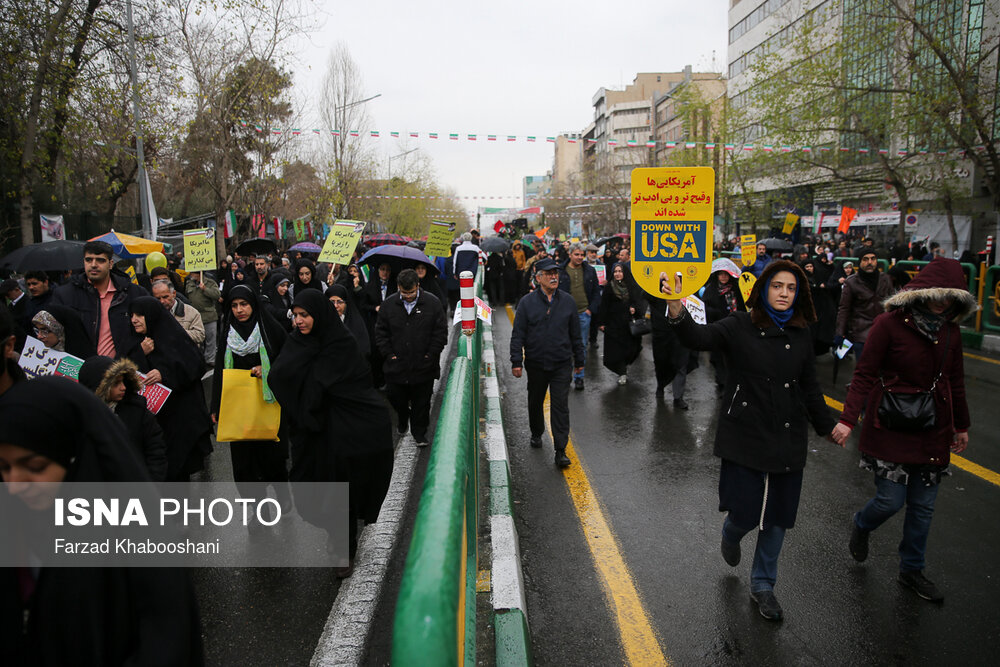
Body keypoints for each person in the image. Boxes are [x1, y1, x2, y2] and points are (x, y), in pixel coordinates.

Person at [660, 260, 837, 621]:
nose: (784, 293)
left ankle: (763, 585)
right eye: (777, 286)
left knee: (778, 518)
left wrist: (826, 425)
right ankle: (731, 532)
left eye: (791, 288)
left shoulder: (802, 333)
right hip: (745, 433)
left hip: (787, 435)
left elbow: (809, 386)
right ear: (763, 290)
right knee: (745, 512)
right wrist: (676, 306)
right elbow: (698, 338)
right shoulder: (740, 324)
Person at [0, 376, 203, 665]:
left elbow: (167, 637)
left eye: (35, 467)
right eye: (4, 468)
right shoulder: (14, 528)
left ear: (75, 458)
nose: (14, 485)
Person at [832, 258, 973, 603]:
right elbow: (864, 374)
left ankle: (912, 570)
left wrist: (961, 426)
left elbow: (955, 381)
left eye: (950, 298)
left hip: (932, 428)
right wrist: (848, 419)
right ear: (923, 292)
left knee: (923, 507)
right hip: (891, 423)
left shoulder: (950, 332)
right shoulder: (888, 324)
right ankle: (862, 524)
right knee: (890, 500)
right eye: (939, 295)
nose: (943, 303)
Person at [268, 290, 394, 577]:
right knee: (308, 499)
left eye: (305, 315)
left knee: (340, 494)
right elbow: (279, 376)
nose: (299, 321)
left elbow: (357, 388)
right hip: (308, 434)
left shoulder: (342, 344)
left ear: (319, 315)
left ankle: (343, 549)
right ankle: (336, 533)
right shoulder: (296, 343)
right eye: (295, 315)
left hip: (341, 434)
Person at [210, 284, 291, 513]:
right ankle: (257, 508)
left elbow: (288, 360)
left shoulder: (269, 328)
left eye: (244, 304)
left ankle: (281, 494)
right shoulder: (228, 331)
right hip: (238, 407)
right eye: (234, 305)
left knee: (272, 457)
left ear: (253, 305)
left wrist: (266, 369)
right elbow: (219, 371)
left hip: (268, 403)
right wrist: (216, 406)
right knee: (244, 463)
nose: (239, 310)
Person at [509, 258, 585, 468]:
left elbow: (576, 335)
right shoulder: (527, 303)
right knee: (535, 400)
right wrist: (516, 361)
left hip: (561, 363)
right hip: (536, 363)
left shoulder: (567, 301)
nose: (554, 277)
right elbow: (518, 335)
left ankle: (561, 450)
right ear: (538, 277)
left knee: (560, 406)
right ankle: (536, 431)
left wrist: (580, 360)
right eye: (549, 273)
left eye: (556, 273)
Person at [128, 296, 213, 481]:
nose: (134, 319)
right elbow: (124, 370)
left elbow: (194, 365)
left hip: (178, 419)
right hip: (151, 423)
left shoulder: (173, 336)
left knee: (177, 475)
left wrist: (164, 374)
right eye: (132, 315)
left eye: (139, 315)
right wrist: (139, 354)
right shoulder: (135, 342)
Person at [375, 269, 448, 445]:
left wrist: (430, 354)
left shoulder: (432, 303)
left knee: (421, 403)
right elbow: (380, 333)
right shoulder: (389, 305)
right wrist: (389, 354)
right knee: (395, 397)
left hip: (424, 364)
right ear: (399, 287)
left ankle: (419, 433)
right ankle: (402, 416)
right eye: (404, 292)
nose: (408, 296)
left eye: (411, 292)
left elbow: (440, 332)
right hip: (396, 365)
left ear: (418, 286)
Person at [50, 240, 148, 359]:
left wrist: (138, 354)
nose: (93, 265)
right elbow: (53, 336)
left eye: (100, 260)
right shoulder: (64, 295)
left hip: (123, 370)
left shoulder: (134, 293)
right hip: (78, 370)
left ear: (111, 264)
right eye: (89, 260)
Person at [78, 355, 168, 481]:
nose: (123, 387)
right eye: (116, 384)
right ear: (99, 387)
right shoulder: (81, 417)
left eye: (123, 381)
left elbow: (155, 451)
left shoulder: (137, 411)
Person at [835, 248, 894, 359]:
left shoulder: (885, 279)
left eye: (873, 259)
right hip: (860, 332)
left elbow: (892, 304)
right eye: (865, 259)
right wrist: (840, 332)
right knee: (864, 369)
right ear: (860, 262)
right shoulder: (852, 282)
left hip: (882, 331)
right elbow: (844, 308)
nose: (870, 262)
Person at [558, 243, 601, 390]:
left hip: (583, 313)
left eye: (582, 255)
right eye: (577, 254)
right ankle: (566, 376)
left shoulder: (589, 270)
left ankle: (579, 377)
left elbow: (596, 291)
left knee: (581, 346)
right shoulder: (561, 271)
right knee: (565, 346)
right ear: (570, 254)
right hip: (564, 315)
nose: (580, 257)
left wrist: (590, 310)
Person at [597, 262, 646, 385]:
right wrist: (601, 322)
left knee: (630, 348)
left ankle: (624, 367)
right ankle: (622, 372)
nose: (617, 274)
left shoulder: (631, 286)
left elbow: (638, 301)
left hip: (628, 325)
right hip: (613, 325)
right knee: (615, 351)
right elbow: (604, 305)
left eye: (620, 271)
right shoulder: (609, 287)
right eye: (615, 272)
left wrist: (634, 308)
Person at [701, 267, 747, 391]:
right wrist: (715, 312)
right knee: (718, 356)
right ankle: (722, 381)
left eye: (726, 274)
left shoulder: (737, 289)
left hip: (736, 328)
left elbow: (743, 306)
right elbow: (705, 309)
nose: (723, 277)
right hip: (718, 328)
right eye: (721, 274)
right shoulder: (711, 289)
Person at [152, 280, 205, 346]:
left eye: (165, 297)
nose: (162, 301)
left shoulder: (191, 312)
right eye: (158, 298)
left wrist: (176, 332)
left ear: (174, 293)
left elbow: (200, 335)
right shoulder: (150, 313)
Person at [185, 270, 221, 366]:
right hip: (194, 317)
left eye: (192, 273)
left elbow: (217, 295)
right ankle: (198, 358)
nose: (190, 275)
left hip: (209, 316)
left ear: (198, 274)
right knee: (197, 340)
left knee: (210, 339)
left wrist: (205, 289)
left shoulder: (210, 282)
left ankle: (210, 359)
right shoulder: (189, 283)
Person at [327, 283, 370, 359]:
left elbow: (363, 349)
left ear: (346, 303)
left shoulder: (355, 323)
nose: (335, 306)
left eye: (340, 302)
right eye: (332, 302)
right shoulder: (321, 323)